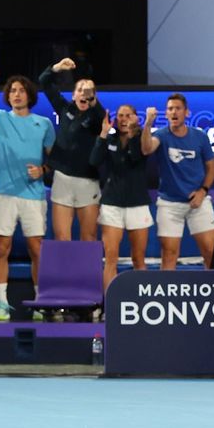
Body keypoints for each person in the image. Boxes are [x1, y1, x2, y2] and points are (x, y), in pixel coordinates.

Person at [0, 69, 54, 322]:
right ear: (8, 96)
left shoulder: (44, 124)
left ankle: (41, 302)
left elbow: (55, 158)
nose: (17, 94)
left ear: (29, 95)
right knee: (1, 248)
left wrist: (43, 170)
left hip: (34, 195)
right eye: (13, 91)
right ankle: (2, 304)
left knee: (37, 249)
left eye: (21, 90)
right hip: (4, 194)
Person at [141, 94, 214, 269]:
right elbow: (146, 149)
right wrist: (147, 124)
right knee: (169, 254)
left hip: (198, 202)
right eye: (170, 109)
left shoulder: (200, 137)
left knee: (210, 251)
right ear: (166, 114)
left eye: (177, 108)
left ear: (187, 112)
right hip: (169, 204)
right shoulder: (161, 135)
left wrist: (202, 191)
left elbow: (211, 168)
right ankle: (166, 296)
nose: (173, 112)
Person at [38, 57, 104, 241]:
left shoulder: (98, 116)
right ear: (74, 94)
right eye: (80, 90)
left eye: (89, 91)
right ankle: (64, 271)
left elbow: (100, 116)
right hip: (62, 179)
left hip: (88, 180)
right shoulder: (64, 108)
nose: (84, 93)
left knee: (89, 236)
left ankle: (88, 271)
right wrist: (57, 67)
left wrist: (93, 101)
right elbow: (44, 81)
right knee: (61, 236)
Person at [91, 104, 151, 290]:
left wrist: (133, 135)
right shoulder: (110, 139)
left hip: (137, 204)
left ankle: (142, 305)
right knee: (111, 257)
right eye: (120, 116)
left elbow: (135, 158)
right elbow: (94, 161)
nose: (124, 119)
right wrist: (102, 134)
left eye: (128, 115)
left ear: (136, 118)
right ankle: (109, 305)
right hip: (112, 204)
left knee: (138, 258)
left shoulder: (143, 139)